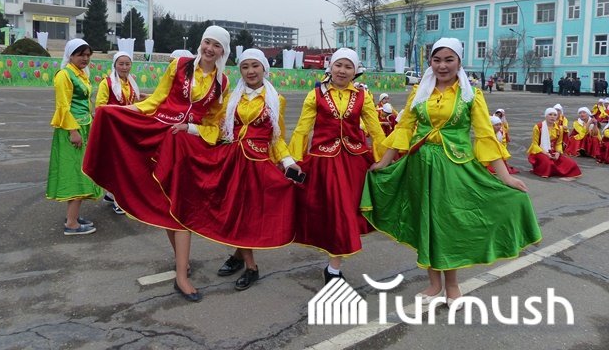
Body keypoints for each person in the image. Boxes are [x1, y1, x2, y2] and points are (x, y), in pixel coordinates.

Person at [362, 37, 541, 310]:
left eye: (449, 60)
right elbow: (404, 128)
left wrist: (505, 176)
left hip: (454, 168)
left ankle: (453, 286)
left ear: (459, 62)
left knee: (449, 225)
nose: (442, 66)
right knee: (425, 223)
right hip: (419, 166)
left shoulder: (471, 95)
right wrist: (384, 163)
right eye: (437, 60)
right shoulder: (419, 92)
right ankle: (434, 284)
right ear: (430, 62)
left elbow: (485, 135)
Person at [83, 26, 231, 302]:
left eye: (216, 45)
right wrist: (122, 111)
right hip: (159, 134)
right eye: (207, 42)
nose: (209, 49)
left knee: (179, 206)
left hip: (187, 145)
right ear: (201, 43)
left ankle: (182, 274)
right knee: (166, 204)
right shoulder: (180, 64)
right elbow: (156, 100)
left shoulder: (222, 82)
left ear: (224, 51)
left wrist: (191, 128)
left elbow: (214, 124)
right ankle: (181, 265)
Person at [153, 48, 300, 291]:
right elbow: (219, 129)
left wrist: (288, 162)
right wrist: (189, 128)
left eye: (255, 66)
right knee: (236, 213)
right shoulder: (232, 98)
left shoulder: (277, 100)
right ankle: (246, 262)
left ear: (264, 68)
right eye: (245, 67)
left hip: (257, 165)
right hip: (232, 162)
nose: (250, 71)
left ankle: (245, 262)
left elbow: (276, 138)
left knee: (248, 215)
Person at [288, 48, 386, 284]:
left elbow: (375, 129)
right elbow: (302, 129)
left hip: (354, 164)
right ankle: (333, 268)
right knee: (334, 213)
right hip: (325, 163)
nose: (342, 71)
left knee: (346, 212)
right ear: (330, 67)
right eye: (338, 65)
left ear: (355, 71)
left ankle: (333, 267)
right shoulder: (315, 95)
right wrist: (294, 161)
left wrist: (383, 159)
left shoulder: (363, 96)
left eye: (348, 66)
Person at [46, 38, 103, 235]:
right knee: (76, 173)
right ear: (70, 55)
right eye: (81, 55)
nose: (85, 59)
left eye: (88, 55)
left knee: (80, 170)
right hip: (72, 129)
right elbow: (63, 106)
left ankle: (73, 216)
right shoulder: (64, 75)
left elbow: (84, 101)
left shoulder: (81, 74)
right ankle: (71, 224)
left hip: (83, 126)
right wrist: (73, 131)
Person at [94, 51, 143, 215]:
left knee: (121, 162)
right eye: (121, 64)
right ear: (114, 65)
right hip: (112, 129)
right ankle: (118, 201)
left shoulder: (131, 83)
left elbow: (135, 102)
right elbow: (100, 107)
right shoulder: (107, 83)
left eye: (127, 64)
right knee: (117, 164)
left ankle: (110, 195)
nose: (124, 67)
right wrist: (121, 111)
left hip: (126, 129)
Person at [527, 108, 581, 179]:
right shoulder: (538, 127)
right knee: (548, 163)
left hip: (552, 151)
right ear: (546, 116)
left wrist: (558, 153)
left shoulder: (559, 128)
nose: (552, 117)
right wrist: (546, 153)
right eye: (550, 114)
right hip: (539, 151)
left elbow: (558, 143)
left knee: (571, 163)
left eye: (555, 115)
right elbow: (535, 144)